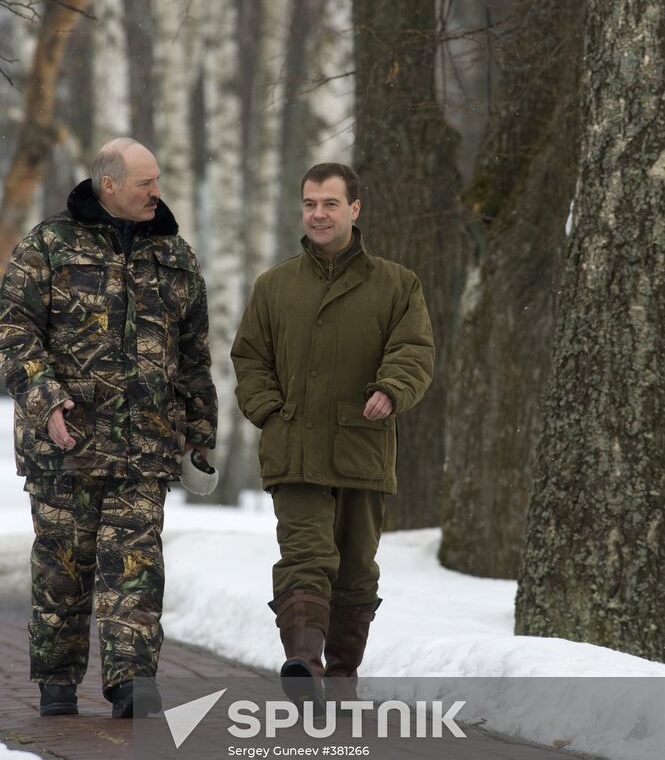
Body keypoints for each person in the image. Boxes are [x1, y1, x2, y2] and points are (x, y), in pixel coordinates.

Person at [0, 138, 217, 718]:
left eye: (159, 179)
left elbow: (193, 351)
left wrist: (200, 427)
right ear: (110, 185)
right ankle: (57, 682)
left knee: (136, 565)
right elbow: (13, 332)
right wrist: (46, 399)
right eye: (146, 182)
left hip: (145, 444)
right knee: (63, 570)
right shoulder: (48, 246)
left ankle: (131, 681)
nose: (157, 192)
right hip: (64, 445)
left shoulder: (174, 254)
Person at [231, 162, 434, 705]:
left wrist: (391, 389)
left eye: (329, 204)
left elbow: (414, 351)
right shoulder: (274, 286)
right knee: (304, 554)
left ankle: (342, 676)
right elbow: (249, 358)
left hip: (362, 447)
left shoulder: (397, 284)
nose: (318, 214)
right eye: (309, 204)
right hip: (293, 447)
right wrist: (269, 410)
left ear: (354, 209)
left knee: (354, 567)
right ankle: (302, 659)